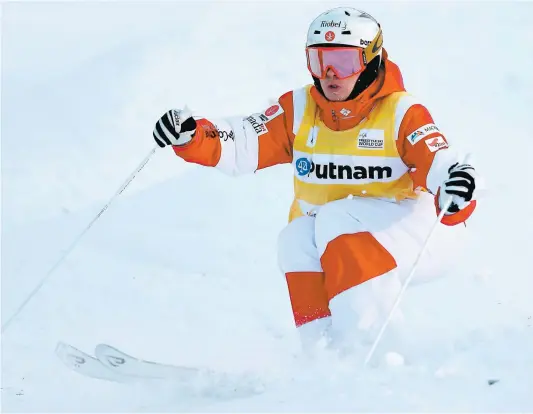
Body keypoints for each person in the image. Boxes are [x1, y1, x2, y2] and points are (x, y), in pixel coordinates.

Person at [151, 7, 478, 353]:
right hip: (344, 236)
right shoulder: (300, 108)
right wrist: (191, 135)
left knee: (337, 219)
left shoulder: (400, 112)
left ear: (370, 60)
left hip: (424, 233)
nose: (331, 75)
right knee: (296, 238)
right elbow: (244, 140)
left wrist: (455, 184)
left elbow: (438, 160)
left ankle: (377, 352)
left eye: (345, 62)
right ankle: (324, 359)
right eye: (320, 61)